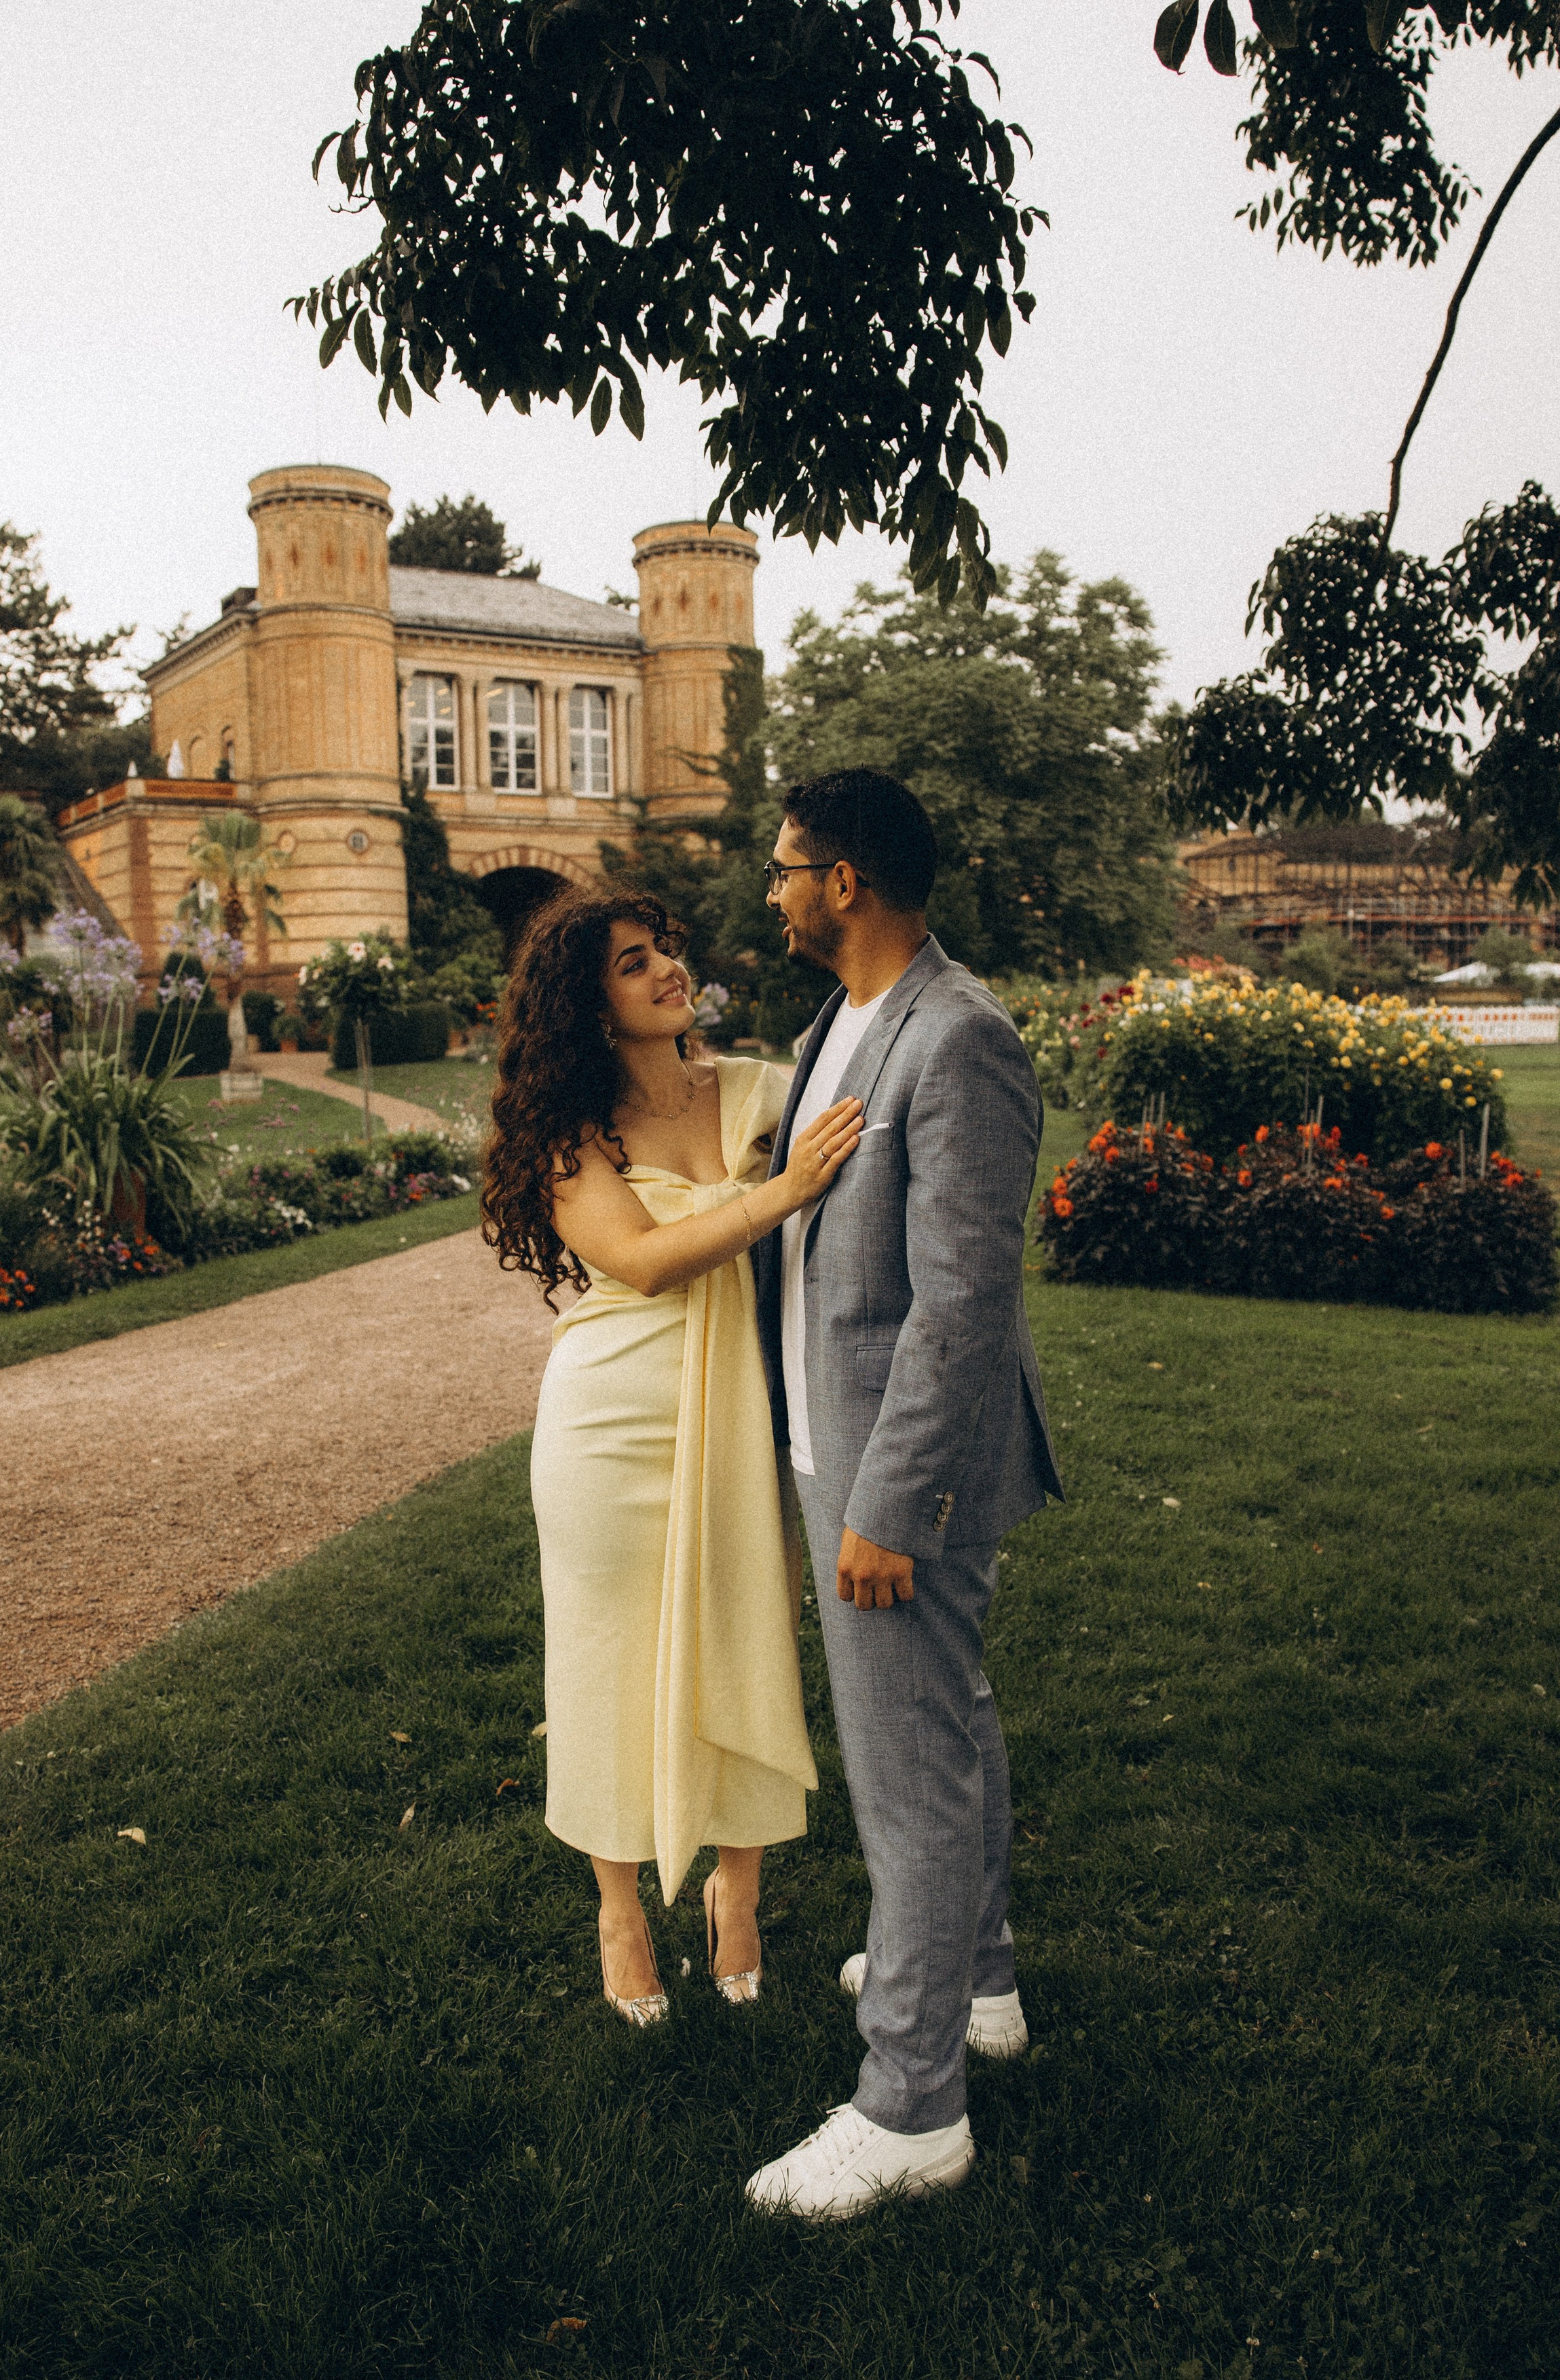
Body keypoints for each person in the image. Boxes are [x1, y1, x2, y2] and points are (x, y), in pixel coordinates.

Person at [744, 768, 1063, 2221]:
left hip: (897, 1473)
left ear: (845, 881)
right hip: (839, 1445)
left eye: (783, 868)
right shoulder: (839, 1023)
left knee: (908, 1774)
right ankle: (975, 1984)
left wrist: (887, 1503)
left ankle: (910, 2107)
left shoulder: (959, 1036)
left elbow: (962, 1302)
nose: (771, 891)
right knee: (947, 1724)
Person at [482, 886, 867, 2024]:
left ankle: (736, 1892)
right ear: (587, 1005)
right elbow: (646, 1260)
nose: (666, 971)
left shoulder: (757, 1091)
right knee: (604, 1661)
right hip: (610, 1425)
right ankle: (619, 1909)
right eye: (632, 963)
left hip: (743, 1412)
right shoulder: (568, 1133)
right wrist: (782, 1191)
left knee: (746, 1632)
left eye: (664, 951)